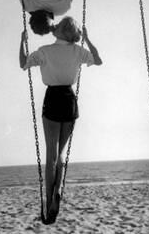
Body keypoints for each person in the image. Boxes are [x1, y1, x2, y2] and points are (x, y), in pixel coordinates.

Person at [19, 17, 103, 223]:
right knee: (61, 153)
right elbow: (98, 60)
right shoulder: (78, 51)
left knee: (51, 156)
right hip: (69, 100)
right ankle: (59, 188)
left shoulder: (45, 50)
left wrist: (22, 41)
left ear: (60, 32)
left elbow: (23, 64)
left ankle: (49, 203)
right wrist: (88, 40)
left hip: (53, 99)